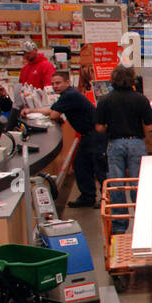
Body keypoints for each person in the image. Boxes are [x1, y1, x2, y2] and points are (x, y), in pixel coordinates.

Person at [25, 68, 104, 207]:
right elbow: (52, 110)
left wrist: (32, 111)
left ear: (67, 82)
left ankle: (104, 198)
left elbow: (54, 114)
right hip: (89, 135)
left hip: (94, 135)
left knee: (98, 167)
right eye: (53, 83)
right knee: (81, 165)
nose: (55, 86)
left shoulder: (69, 95)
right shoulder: (67, 94)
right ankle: (88, 196)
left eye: (58, 83)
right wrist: (31, 111)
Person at [96, 65, 152, 234]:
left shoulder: (105, 100)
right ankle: (143, 223)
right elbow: (150, 127)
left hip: (115, 143)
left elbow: (99, 128)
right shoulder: (140, 99)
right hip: (137, 143)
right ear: (132, 79)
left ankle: (119, 225)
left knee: (116, 184)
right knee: (139, 183)